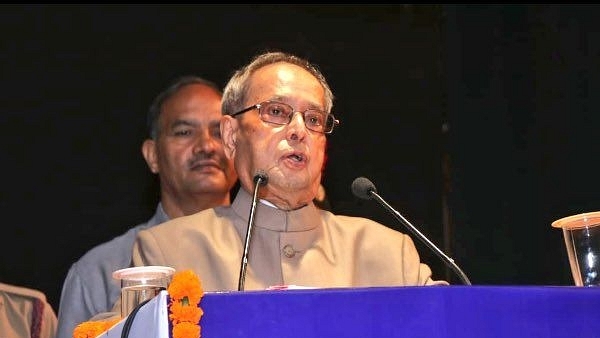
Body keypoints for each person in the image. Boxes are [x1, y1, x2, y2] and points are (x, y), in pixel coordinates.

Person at [129, 51, 446, 293]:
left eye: (313, 119)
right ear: (230, 136)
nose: (298, 131)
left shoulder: (388, 253)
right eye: (277, 112)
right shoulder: (168, 252)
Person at [56, 75, 238, 338]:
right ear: (152, 155)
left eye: (218, 132)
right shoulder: (99, 270)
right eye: (185, 132)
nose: (207, 146)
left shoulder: (261, 253)